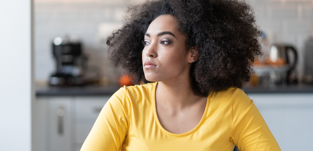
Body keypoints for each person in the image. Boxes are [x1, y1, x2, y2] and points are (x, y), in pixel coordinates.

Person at [81, 0, 281, 150]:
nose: (149, 51)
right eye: (146, 41)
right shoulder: (125, 104)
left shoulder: (232, 104)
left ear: (192, 53)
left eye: (165, 41)